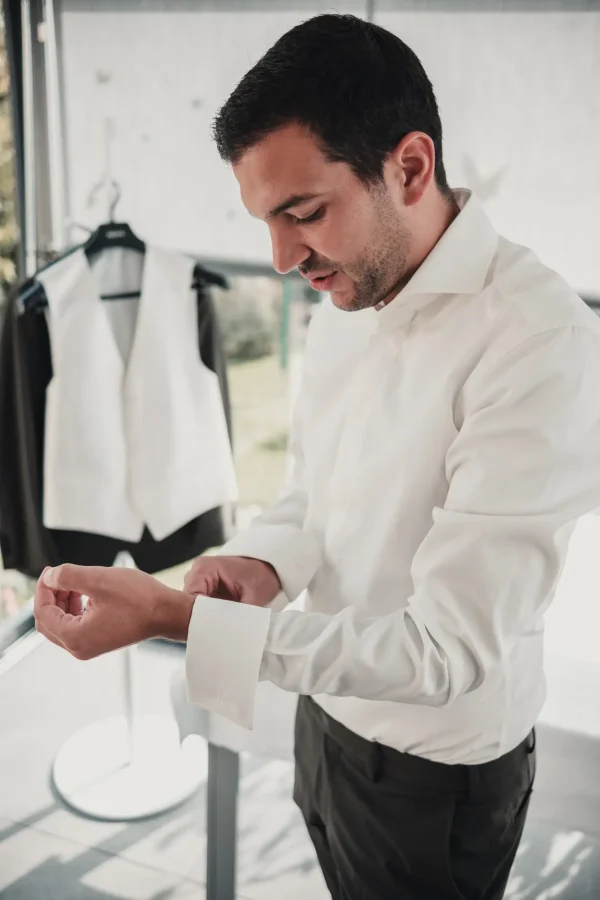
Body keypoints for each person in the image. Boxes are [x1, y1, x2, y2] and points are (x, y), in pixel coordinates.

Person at [34, 14, 600, 900]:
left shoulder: (540, 342)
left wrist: (176, 619)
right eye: (265, 220)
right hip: (322, 715)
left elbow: (446, 652)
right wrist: (261, 565)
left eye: (303, 213)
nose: (282, 257)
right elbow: (317, 494)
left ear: (409, 168)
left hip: (433, 773)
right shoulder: (349, 290)